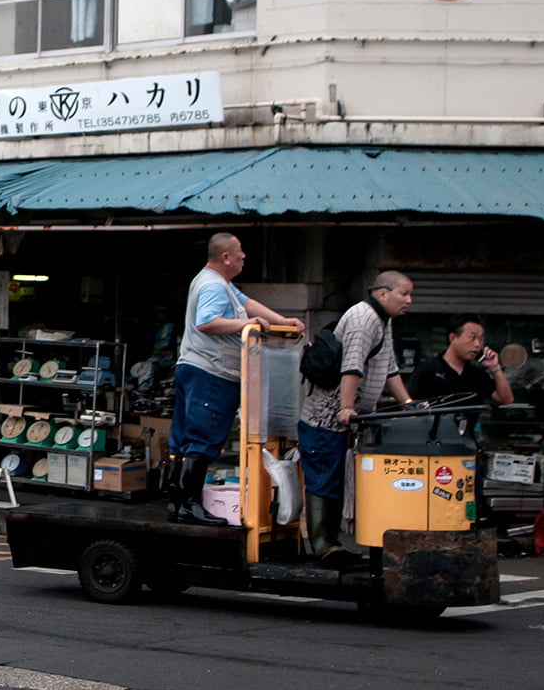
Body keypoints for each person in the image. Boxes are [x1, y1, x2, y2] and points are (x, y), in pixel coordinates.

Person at [166, 232, 298, 526]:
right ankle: (189, 504)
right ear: (225, 257)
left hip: (194, 366)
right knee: (202, 436)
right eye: (239, 252)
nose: (243, 256)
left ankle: (176, 503)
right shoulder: (214, 286)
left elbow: (247, 302)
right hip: (211, 371)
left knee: (184, 437)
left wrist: (282, 321)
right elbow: (207, 322)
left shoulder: (216, 282)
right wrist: (247, 324)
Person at [298, 271, 415, 561]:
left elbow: (389, 367)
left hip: (350, 422)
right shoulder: (363, 320)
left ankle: (333, 541)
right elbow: (351, 368)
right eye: (404, 294)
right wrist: (346, 408)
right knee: (323, 477)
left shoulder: (382, 321)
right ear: (383, 293)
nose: (409, 300)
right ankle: (322, 544)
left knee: (336, 479)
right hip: (325, 418)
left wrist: (409, 403)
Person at [407, 314, 515, 407]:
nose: (477, 344)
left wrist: (495, 368)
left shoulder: (477, 373)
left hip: (466, 430)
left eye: (480, 339)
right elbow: (411, 404)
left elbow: (506, 400)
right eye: (472, 338)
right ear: (453, 338)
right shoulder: (428, 368)